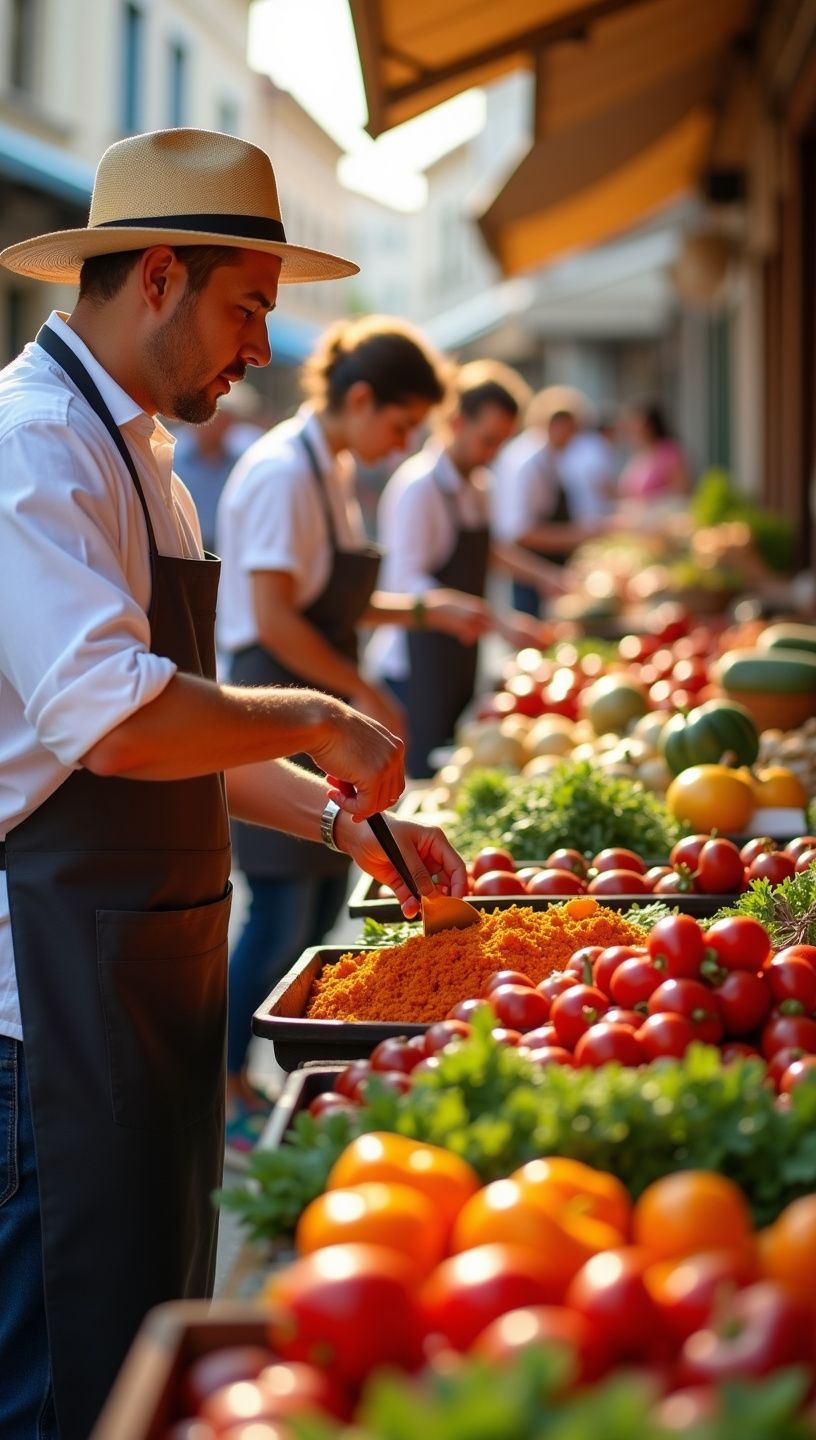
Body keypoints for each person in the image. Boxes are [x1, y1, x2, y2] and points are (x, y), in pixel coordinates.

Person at [0, 127, 468, 1440]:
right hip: (38, 1004)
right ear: (157, 276)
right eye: (248, 304)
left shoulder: (145, 458)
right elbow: (116, 723)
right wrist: (326, 714)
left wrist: (341, 820)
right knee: (57, 1385)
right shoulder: (34, 449)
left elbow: (182, 745)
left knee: (140, 1346)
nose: (264, 344)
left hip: (142, 971)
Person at [215, 316, 490, 1153]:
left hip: (313, 701)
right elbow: (274, 617)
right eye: (402, 425)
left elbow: (334, 601)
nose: (402, 443)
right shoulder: (278, 474)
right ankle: (223, 1082)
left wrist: (424, 608)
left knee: (318, 900)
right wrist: (362, 691)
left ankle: (258, 1074)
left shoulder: (327, 471)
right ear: (360, 398)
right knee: (279, 908)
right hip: (277, 700)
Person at [367, 359, 565, 776]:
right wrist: (500, 621)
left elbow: (489, 549)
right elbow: (406, 582)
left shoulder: (479, 484)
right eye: (488, 440)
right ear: (456, 423)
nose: (493, 455)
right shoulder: (419, 487)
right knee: (423, 778)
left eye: (502, 443)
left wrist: (545, 577)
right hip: (412, 668)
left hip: (460, 653)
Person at [492, 385, 604, 615]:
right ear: (555, 424)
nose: (574, 438)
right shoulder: (527, 462)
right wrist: (581, 534)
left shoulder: (549, 458)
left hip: (548, 571)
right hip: (532, 574)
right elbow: (520, 532)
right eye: (572, 430)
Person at [172, 380, 265, 551]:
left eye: (226, 420)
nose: (220, 426)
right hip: (181, 551)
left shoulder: (242, 458)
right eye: (216, 417)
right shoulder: (169, 454)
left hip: (227, 550)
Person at [617, 399, 691, 503]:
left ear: (651, 426)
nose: (631, 429)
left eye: (636, 424)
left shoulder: (668, 451)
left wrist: (646, 503)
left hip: (661, 516)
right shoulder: (640, 452)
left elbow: (682, 489)